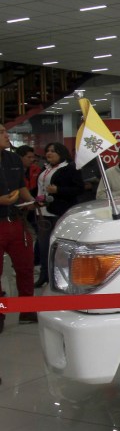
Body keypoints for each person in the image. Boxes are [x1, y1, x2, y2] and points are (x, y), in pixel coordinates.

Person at [0, 127, 36, 330]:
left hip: (16, 221)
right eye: (1, 132)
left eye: (6, 131)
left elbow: (21, 186)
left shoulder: (13, 159)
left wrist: (31, 201)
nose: (7, 135)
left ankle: (28, 310)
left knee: (26, 267)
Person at [35, 142, 83, 289]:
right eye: (48, 151)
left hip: (59, 212)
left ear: (61, 153)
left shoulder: (70, 168)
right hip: (42, 212)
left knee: (60, 248)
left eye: (53, 151)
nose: (49, 154)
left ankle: (61, 278)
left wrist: (58, 190)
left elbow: (79, 188)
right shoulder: (45, 168)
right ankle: (44, 275)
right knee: (43, 246)